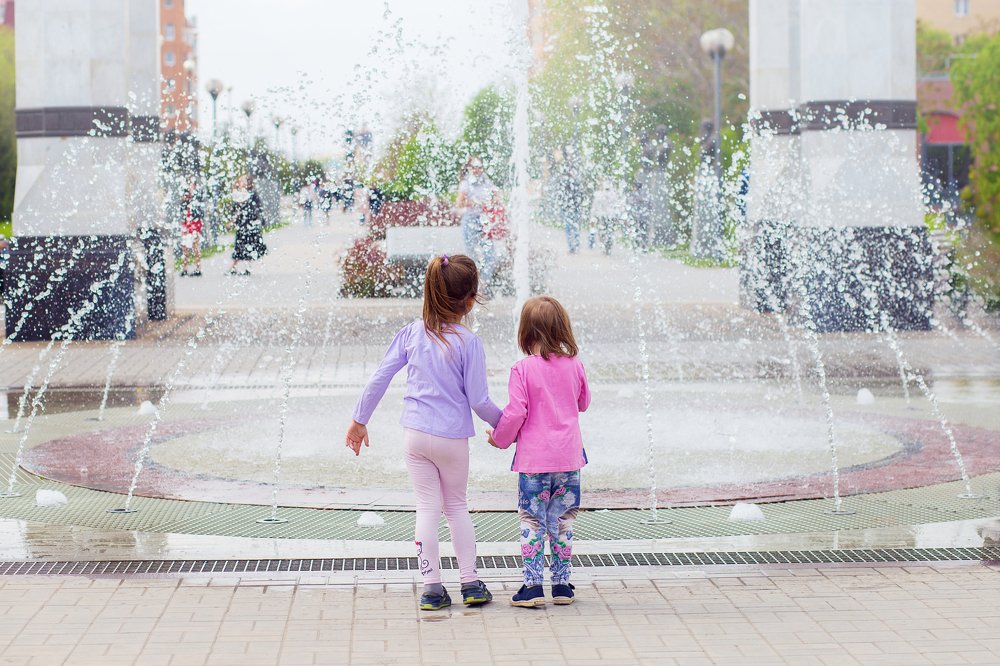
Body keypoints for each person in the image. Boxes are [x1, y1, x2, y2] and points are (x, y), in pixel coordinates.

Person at [345, 254, 499, 611]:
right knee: (456, 507)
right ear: (470, 299)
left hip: (415, 436)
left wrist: (359, 418)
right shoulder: (468, 343)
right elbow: (479, 400)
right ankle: (471, 583)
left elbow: (380, 377)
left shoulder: (412, 333)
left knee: (426, 508)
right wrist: (509, 425)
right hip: (451, 438)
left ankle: (431, 588)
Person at [487, 295, 590, 608]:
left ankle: (532, 587)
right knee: (562, 521)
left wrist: (500, 439)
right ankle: (562, 585)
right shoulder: (575, 364)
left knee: (533, 520)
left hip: (534, 461)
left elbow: (517, 412)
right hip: (569, 459)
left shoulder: (522, 370)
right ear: (562, 329)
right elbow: (583, 403)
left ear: (525, 332)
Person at [455, 157, 496, 290]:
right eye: (474, 167)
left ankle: (484, 284)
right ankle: (472, 286)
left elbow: (495, 197)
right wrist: (474, 202)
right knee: (471, 254)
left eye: (479, 167)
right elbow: (459, 203)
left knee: (489, 254)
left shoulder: (486, 182)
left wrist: (493, 201)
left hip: (485, 220)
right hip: (470, 220)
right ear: (469, 168)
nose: (477, 170)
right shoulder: (466, 183)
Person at [229, 175, 267, 276]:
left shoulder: (252, 193)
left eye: (242, 180)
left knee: (249, 245)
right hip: (242, 223)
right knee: (239, 245)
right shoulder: (239, 193)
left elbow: (258, 207)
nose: (240, 182)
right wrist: (232, 221)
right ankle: (234, 268)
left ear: (248, 182)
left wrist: (259, 219)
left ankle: (247, 268)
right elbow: (236, 209)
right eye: (240, 181)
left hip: (250, 223)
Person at [179, 181, 204, 277]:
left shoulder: (197, 197)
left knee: (195, 247)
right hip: (186, 224)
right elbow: (183, 211)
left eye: (191, 184)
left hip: (195, 225)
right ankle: (185, 268)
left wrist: (197, 228)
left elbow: (200, 213)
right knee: (185, 247)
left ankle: (198, 268)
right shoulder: (185, 197)